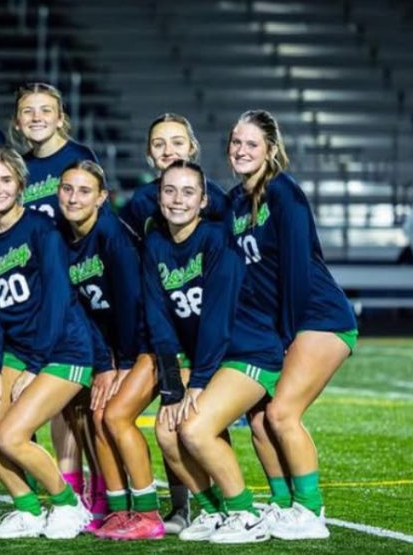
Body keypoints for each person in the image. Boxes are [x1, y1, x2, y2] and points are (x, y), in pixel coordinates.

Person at [226, 110, 358, 541]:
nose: (241, 150)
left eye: (252, 143)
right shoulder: (233, 202)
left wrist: (284, 335)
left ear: (270, 150)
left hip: (318, 316)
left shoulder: (284, 193)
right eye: (236, 142)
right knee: (258, 419)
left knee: (282, 413)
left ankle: (310, 510)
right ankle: (283, 506)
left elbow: (297, 273)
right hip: (278, 325)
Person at [0, 146, 94, 540]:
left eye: (5, 180)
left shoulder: (41, 230)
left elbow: (57, 301)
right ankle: (28, 510)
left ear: (20, 185)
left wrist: (34, 366)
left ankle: (68, 504)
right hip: (18, 351)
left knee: (10, 436)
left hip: (63, 349)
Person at [144, 159, 284, 544]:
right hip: (210, 358)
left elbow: (217, 320)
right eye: (170, 190)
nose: (178, 199)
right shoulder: (155, 244)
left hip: (249, 350)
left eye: (188, 192)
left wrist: (199, 382)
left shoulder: (217, 240)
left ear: (203, 201)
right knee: (167, 431)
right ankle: (213, 510)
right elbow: (159, 320)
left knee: (195, 428)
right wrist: (172, 388)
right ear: (159, 197)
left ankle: (245, 514)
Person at [115, 112, 227, 532]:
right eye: (159, 144)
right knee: (168, 414)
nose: (168, 151)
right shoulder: (140, 205)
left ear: (192, 148)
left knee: (205, 420)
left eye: (177, 142)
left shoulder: (217, 200)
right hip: (162, 329)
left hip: (209, 329)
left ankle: (231, 503)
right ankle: (183, 507)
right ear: (148, 153)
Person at [12, 82, 97, 511]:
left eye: (45, 110)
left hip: (78, 289)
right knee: (60, 404)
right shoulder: (20, 168)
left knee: (81, 404)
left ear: (61, 117)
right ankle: (70, 488)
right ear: (17, 121)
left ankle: (98, 488)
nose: (37, 118)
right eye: (28, 111)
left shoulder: (78, 156)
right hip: (36, 297)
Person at [55, 161, 152, 539]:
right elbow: (78, 309)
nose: (73, 198)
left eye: (84, 191)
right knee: (89, 411)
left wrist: (121, 364)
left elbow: (132, 303)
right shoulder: (61, 236)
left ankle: (144, 513)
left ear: (101, 198)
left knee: (108, 415)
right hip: (109, 344)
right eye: (67, 189)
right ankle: (115, 509)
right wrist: (102, 360)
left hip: (145, 341)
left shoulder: (112, 235)